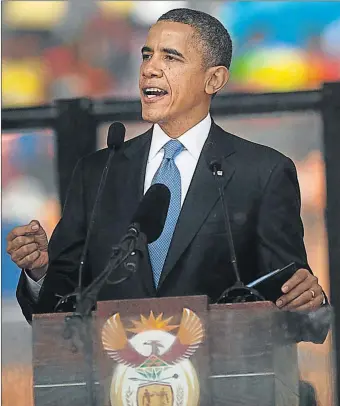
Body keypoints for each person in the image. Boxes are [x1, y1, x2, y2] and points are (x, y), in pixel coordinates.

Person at [6, 9, 328, 340]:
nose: (149, 69)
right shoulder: (98, 174)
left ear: (213, 79)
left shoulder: (263, 173)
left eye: (170, 57)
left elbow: (297, 302)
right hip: (113, 385)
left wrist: (308, 303)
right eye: (147, 55)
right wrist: (41, 270)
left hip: (226, 385)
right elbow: (56, 310)